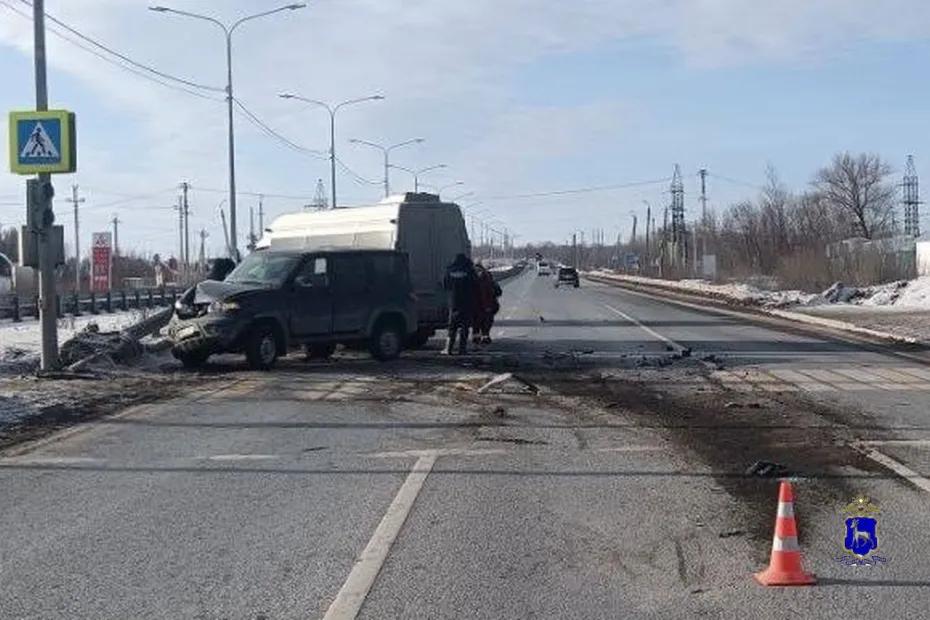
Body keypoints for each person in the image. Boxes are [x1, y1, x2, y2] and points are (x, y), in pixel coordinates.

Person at [442, 253, 477, 355]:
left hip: (454, 302)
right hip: (467, 302)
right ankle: (462, 349)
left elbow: (445, 285)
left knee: (452, 326)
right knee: (464, 327)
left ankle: (448, 349)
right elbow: (475, 284)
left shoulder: (450, 271)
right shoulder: (469, 271)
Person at [472, 261, 502, 346]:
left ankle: (476, 338)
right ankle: (485, 336)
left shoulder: (471, 277)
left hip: (475, 306)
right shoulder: (488, 277)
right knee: (487, 322)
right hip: (488, 305)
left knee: (476, 323)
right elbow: (498, 291)